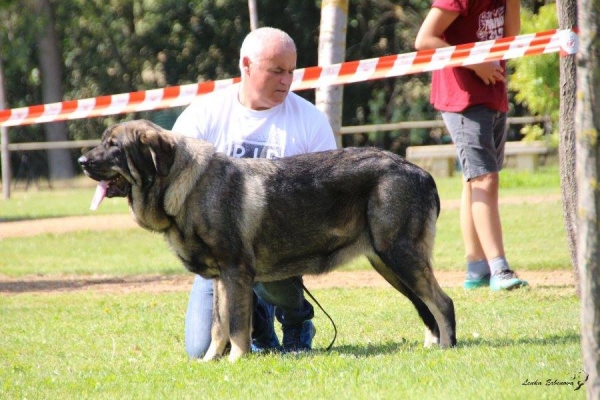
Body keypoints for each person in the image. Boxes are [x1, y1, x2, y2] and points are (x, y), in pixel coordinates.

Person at [171, 27, 338, 358]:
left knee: (257, 253)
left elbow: (327, 200)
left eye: (291, 71)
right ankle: (258, 330)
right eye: (276, 70)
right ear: (246, 65)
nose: (286, 80)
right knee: (200, 349)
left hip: (279, 251)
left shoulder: (311, 122)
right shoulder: (203, 115)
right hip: (218, 255)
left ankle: (296, 320)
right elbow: (176, 185)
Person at [415, 1, 528, 291]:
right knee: (484, 178)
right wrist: (473, 61)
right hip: (463, 98)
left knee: (474, 180)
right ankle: (499, 269)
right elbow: (424, 39)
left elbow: (511, 36)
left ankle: (476, 269)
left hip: (492, 93)